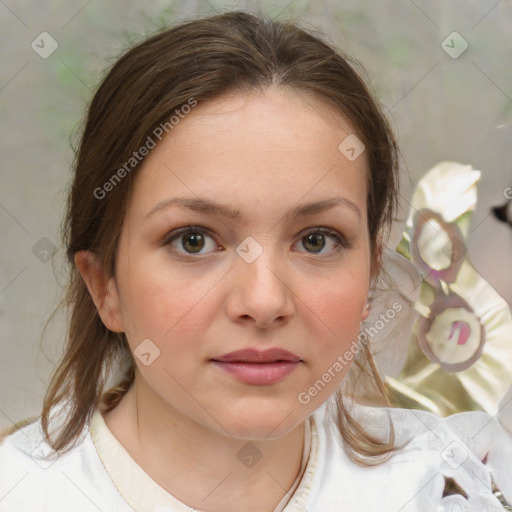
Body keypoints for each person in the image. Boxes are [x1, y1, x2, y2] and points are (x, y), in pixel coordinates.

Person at [0, 10, 511, 512]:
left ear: (371, 276)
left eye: (316, 241)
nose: (264, 302)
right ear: (104, 285)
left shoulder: (451, 486)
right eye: (194, 240)